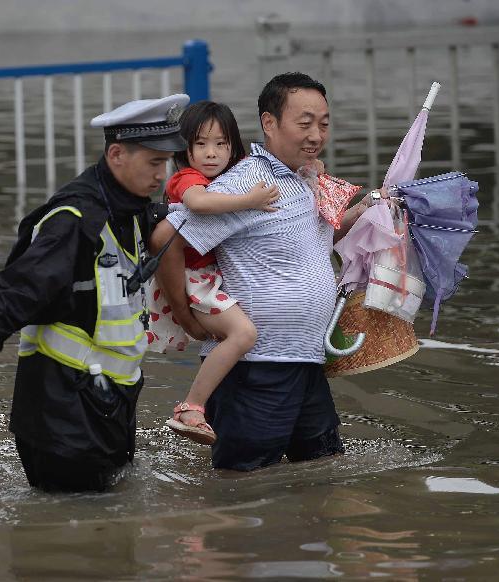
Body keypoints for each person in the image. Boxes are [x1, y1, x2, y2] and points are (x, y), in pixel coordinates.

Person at [0, 94, 190, 492]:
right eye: (154, 162)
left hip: (108, 407)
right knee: (74, 538)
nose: (162, 174)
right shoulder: (73, 221)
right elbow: (7, 296)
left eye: (166, 162)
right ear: (117, 154)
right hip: (62, 415)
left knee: (113, 539)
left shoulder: (132, 210)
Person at [150, 73, 376, 471]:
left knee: (321, 473)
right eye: (304, 123)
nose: (316, 134)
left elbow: (317, 239)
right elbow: (168, 239)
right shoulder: (247, 182)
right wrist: (187, 317)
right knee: (241, 485)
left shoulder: (307, 181)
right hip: (256, 369)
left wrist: (371, 209)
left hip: (306, 361)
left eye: (323, 123)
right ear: (269, 124)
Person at [146, 101, 280, 445]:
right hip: (194, 279)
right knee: (243, 335)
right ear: (184, 148)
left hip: (207, 277)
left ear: (233, 146)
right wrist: (249, 201)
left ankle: (216, 412)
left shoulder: (230, 178)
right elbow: (199, 203)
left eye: (221, 144)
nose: (211, 153)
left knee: (235, 340)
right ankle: (190, 407)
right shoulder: (186, 179)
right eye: (201, 144)